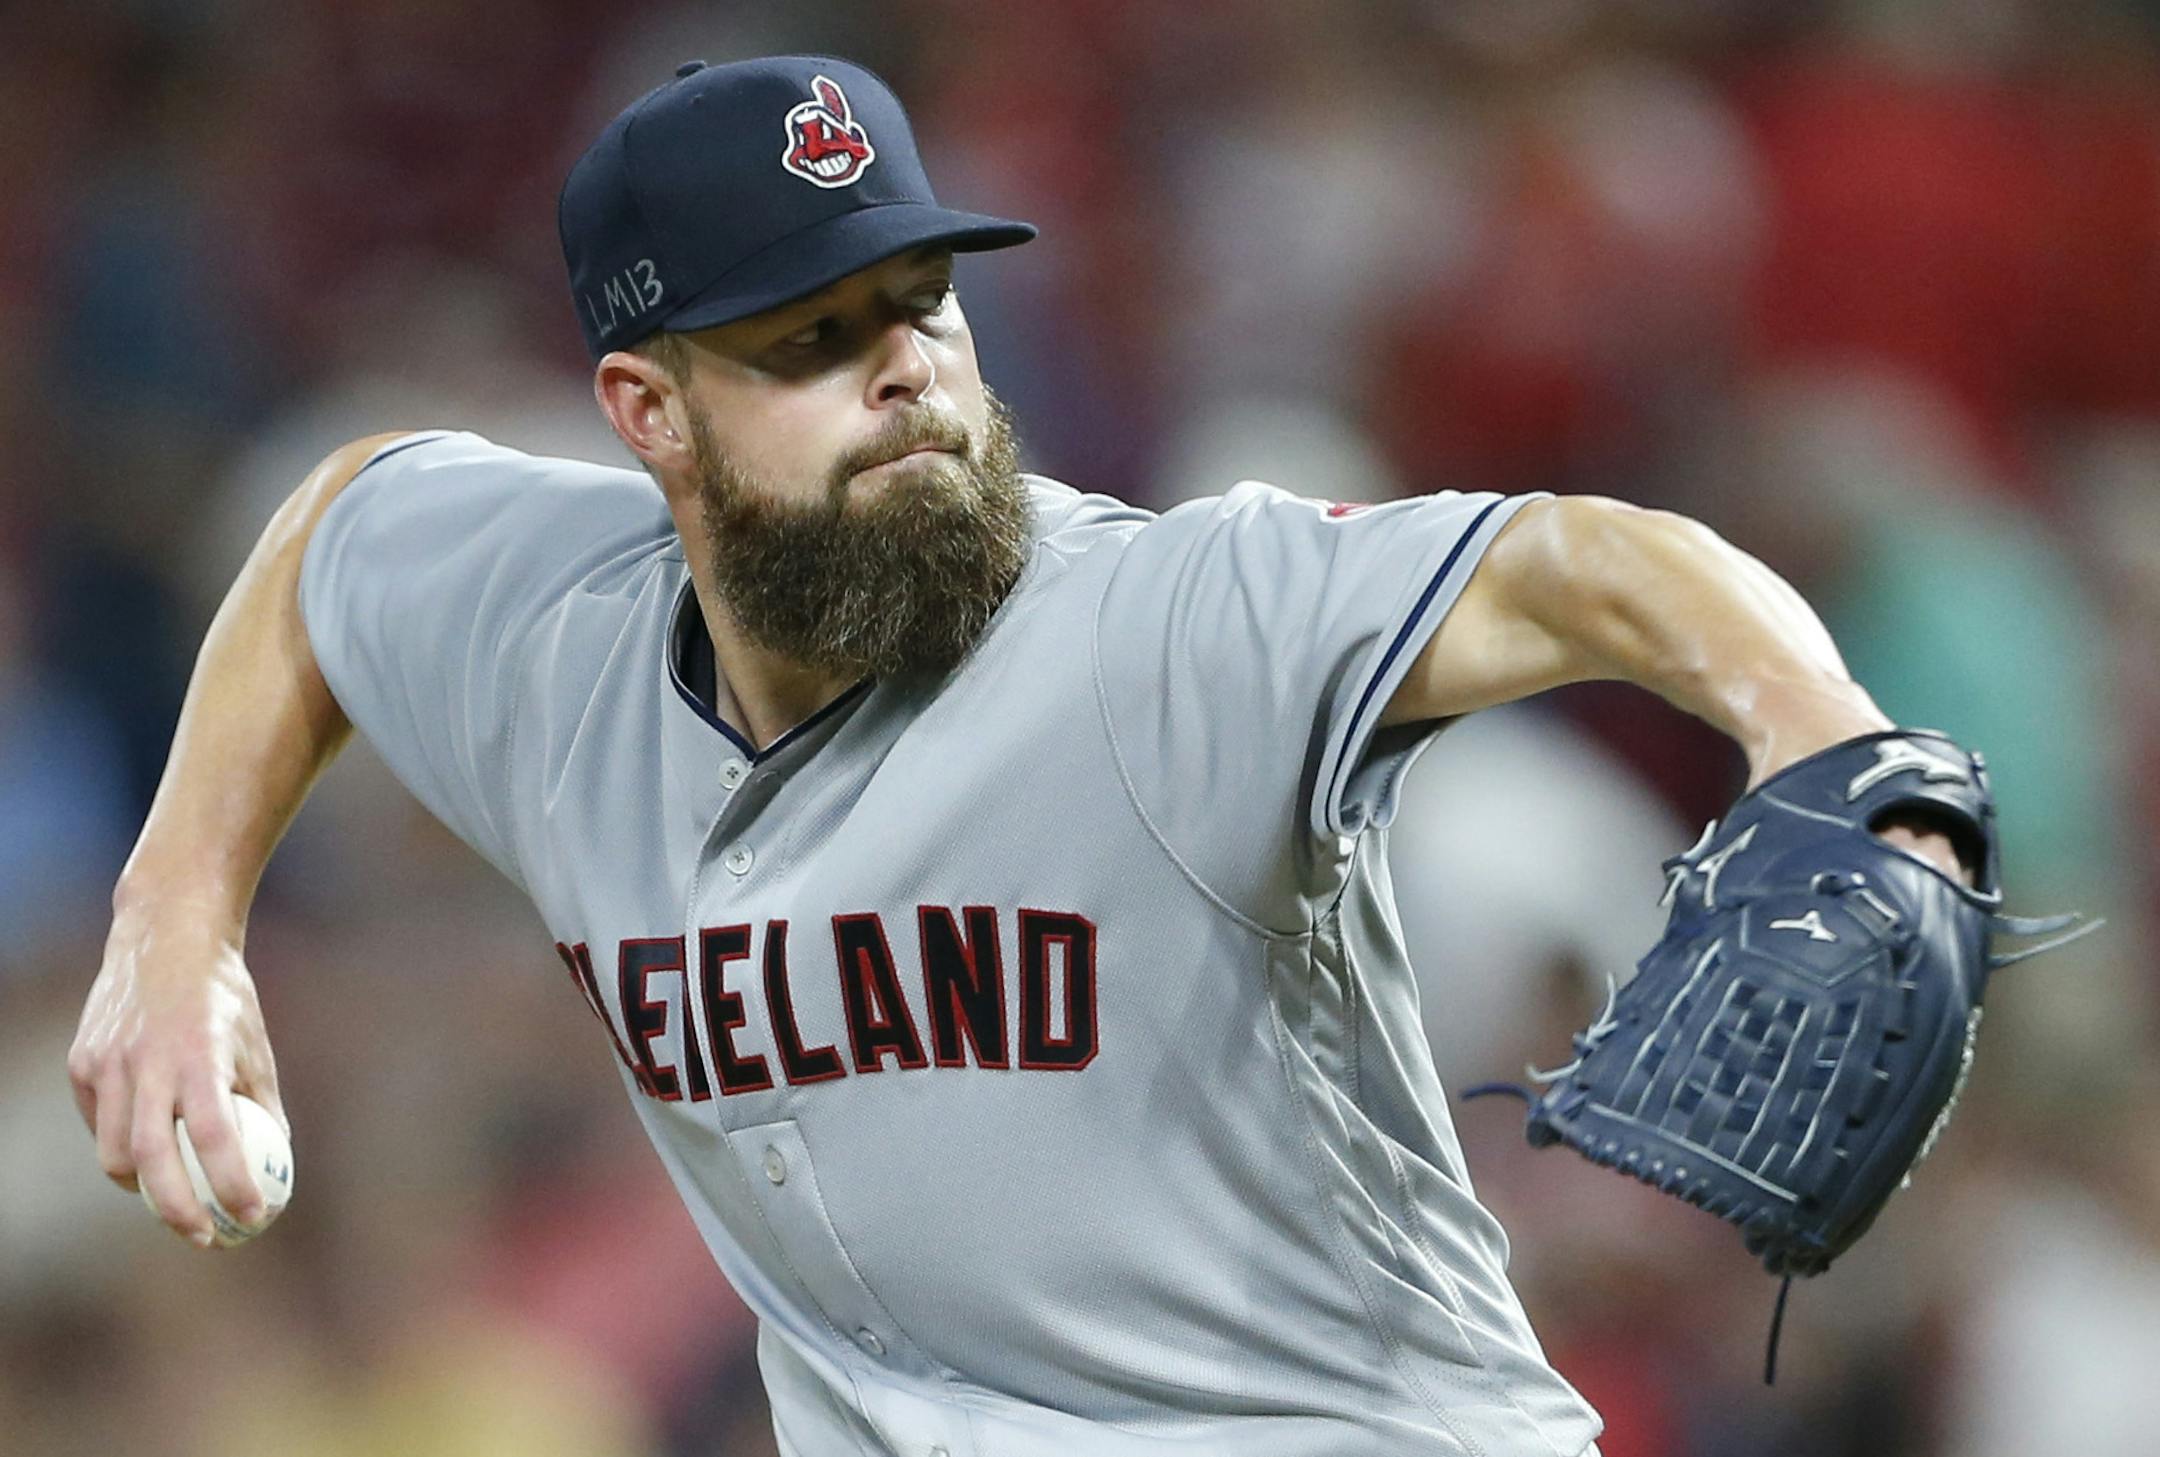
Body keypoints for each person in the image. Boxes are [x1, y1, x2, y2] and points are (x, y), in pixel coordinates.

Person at [69, 56, 1970, 1457]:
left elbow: (1579, 561)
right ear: (648, 413)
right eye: (815, 337)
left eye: (921, 301)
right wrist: (180, 911)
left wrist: (1821, 728)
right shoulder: (552, 646)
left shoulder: (1158, 632)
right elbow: (338, 534)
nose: (904, 369)